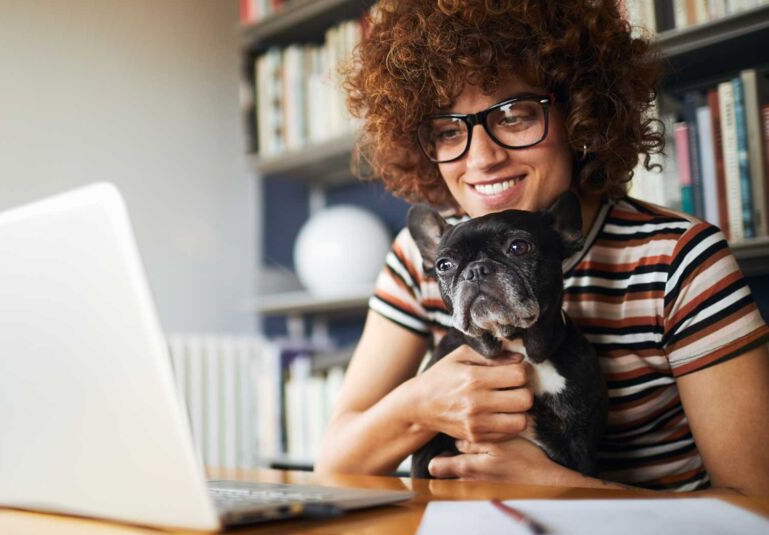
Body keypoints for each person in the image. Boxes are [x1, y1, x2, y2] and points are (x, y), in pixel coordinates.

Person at [315, 0, 769, 495]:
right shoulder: (420, 253)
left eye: (514, 116)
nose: (483, 158)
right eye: (449, 131)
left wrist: (564, 489)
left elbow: (757, 505)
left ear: (579, 115)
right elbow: (336, 464)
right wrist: (418, 405)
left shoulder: (679, 259)